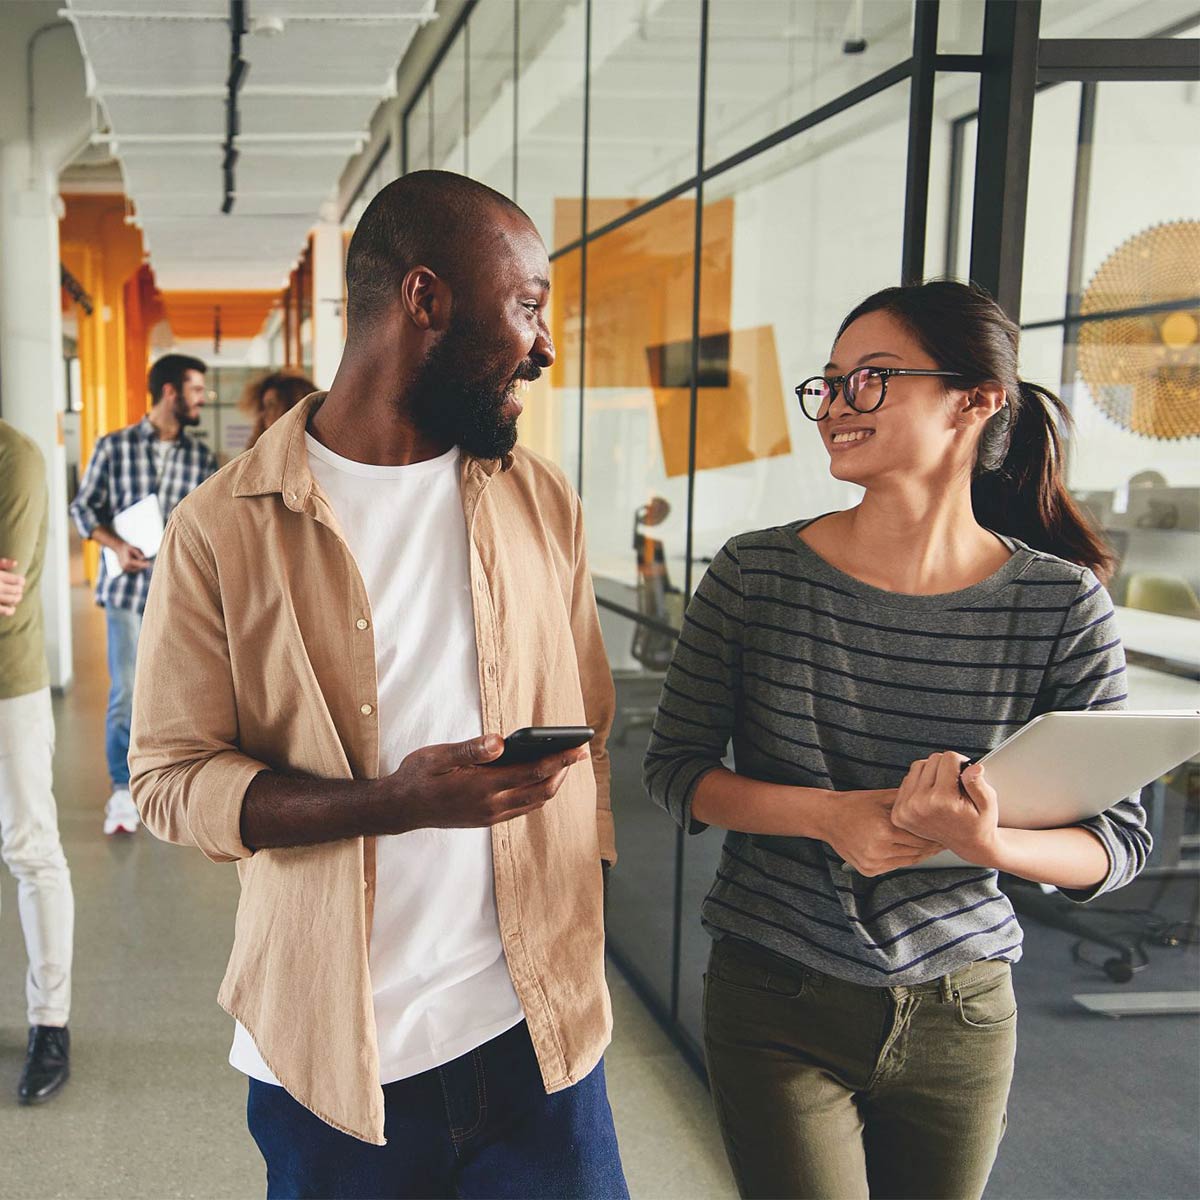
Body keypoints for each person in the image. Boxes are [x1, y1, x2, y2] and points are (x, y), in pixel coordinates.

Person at [128, 171, 626, 1199]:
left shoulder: (541, 502)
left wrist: (585, 905)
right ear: (426, 299)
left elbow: (592, 734)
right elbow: (170, 780)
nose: (543, 343)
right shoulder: (222, 529)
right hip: (332, 1068)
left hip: (539, 1043)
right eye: (528, 303)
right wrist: (397, 803)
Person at [644, 280, 1151, 1200]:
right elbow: (676, 771)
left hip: (962, 1008)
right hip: (775, 990)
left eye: (871, 380)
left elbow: (1115, 847)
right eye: (829, 383)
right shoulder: (757, 574)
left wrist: (987, 844)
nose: (836, 406)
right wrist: (830, 817)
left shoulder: (1059, 604)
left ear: (976, 399)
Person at [69, 354, 217, 835]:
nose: (202, 399)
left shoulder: (201, 458)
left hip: (181, 597)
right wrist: (115, 544)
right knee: (127, 692)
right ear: (170, 392)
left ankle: (167, 783)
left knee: (181, 693)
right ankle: (121, 791)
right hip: (126, 591)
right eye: (196, 390)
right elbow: (83, 507)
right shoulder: (112, 447)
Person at [0, 420, 75, 1104]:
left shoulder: (14, 458)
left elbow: (4, 599)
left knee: (30, 849)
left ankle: (51, 1022)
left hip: (7, 688)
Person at [238, 369, 317, 449]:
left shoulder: (314, 444)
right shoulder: (261, 449)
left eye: (271, 405)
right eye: (263, 407)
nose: (263, 413)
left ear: (292, 406)